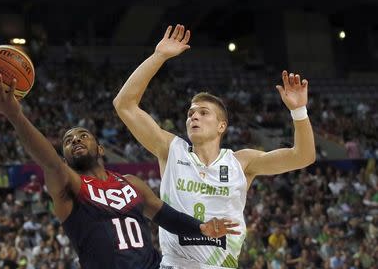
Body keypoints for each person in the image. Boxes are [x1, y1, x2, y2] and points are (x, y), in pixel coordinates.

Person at [0, 73, 239, 269]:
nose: (76, 141)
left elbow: (167, 216)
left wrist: (202, 228)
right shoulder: (71, 186)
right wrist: (15, 115)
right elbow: (49, 162)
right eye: (68, 141)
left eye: (82, 136)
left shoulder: (131, 184)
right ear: (65, 156)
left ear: (100, 149)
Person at [113, 24, 316, 268]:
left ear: (221, 126)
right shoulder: (171, 149)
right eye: (190, 113)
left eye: (203, 112)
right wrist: (159, 56)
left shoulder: (242, 162)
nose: (193, 117)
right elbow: (124, 104)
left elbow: (303, 156)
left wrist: (299, 111)